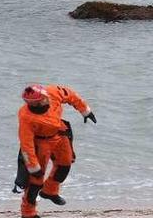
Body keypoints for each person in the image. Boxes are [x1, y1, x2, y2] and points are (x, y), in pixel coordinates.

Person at [18, 84, 96, 218]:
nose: (45, 100)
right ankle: (28, 213)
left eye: (44, 97)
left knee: (65, 164)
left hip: (59, 134)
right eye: (40, 100)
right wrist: (32, 166)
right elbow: (26, 144)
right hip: (40, 143)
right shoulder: (26, 117)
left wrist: (85, 111)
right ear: (32, 103)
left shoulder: (53, 92)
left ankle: (50, 191)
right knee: (35, 181)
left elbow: (71, 95)